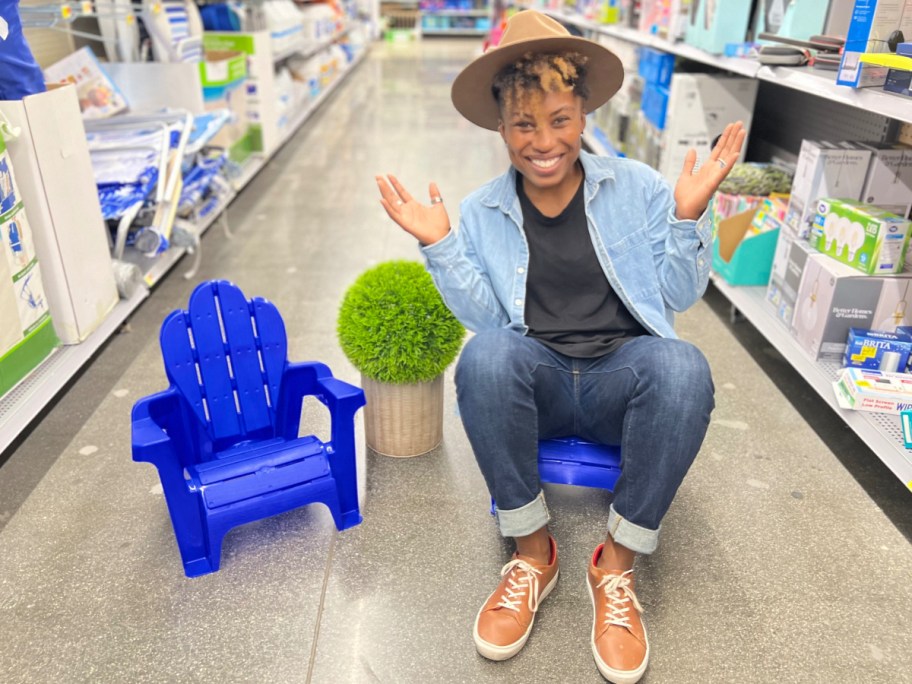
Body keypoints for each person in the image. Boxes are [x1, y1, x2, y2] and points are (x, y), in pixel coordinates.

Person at [376, 10, 744, 683]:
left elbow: (677, 295)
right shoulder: (486, 211)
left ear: (582, 115)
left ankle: (616, 568)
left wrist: (689, 217)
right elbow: (489, 322)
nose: (543, 142)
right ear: (500, 128)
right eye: (524, 124)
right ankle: (531, 553)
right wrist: (441, 244)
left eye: (559, 120)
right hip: (537, 382)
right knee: (485, 356)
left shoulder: (638, 189)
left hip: (618, 376)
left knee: (684, 367)